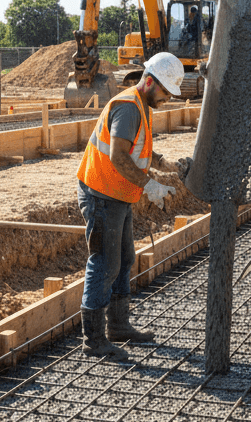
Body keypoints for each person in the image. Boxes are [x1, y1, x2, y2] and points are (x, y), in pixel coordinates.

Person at [76, 51, 186, 359]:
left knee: (124, 259)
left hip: (118, 194)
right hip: (101, 193)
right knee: (105, 262)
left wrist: (166, 164)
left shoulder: (143, 105)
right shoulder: (127, 107)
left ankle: (119, 326)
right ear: (150, 81)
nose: (167, 98)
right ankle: (94, 339)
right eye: (166, 92)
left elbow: (140, 148)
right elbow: (118, 156)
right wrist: (149, 185)